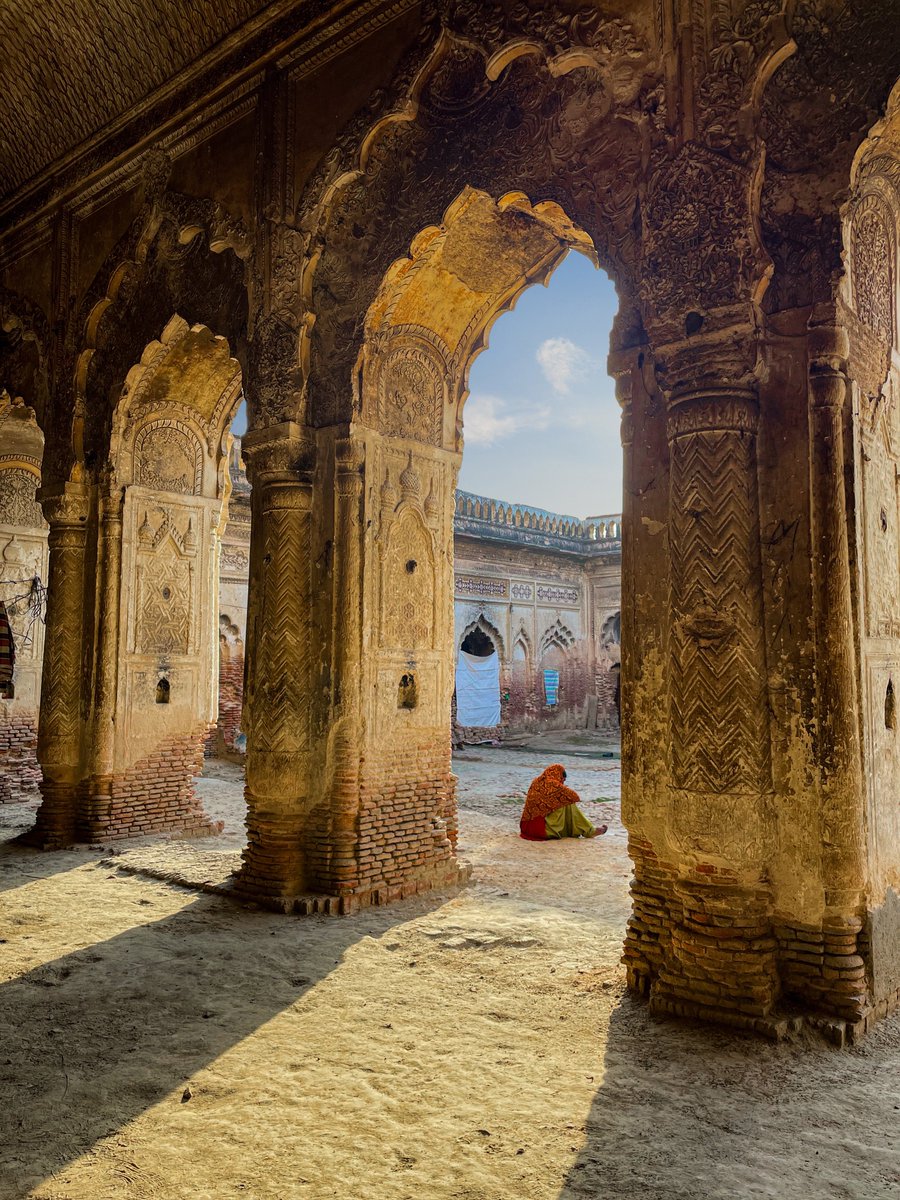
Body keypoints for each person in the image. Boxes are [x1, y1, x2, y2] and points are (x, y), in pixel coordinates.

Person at [519, 763, 607, 841]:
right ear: (558, 776)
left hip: (526, 829)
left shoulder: (536, 781)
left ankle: (587, 830)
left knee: (562, 800)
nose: (562, 783)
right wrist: (563, 795)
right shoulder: (554, 784)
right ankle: (589, 831)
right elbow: (575, 796)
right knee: (567, 802)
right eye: (562, 780)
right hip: (541, 831)